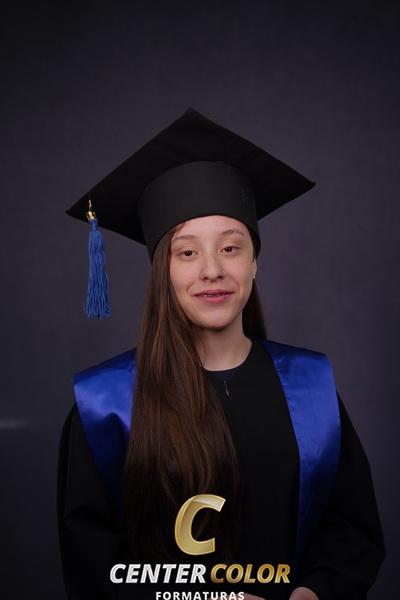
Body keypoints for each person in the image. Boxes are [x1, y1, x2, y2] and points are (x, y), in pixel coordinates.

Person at [57, 108, 386, 600]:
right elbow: (95, 566)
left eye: (230, 248)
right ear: (163, 271)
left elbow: (352, 529)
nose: (212, 270)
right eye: (187, 252)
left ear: (254, 262)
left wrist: (313, 592)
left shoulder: (311, 386)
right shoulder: (106, 406)